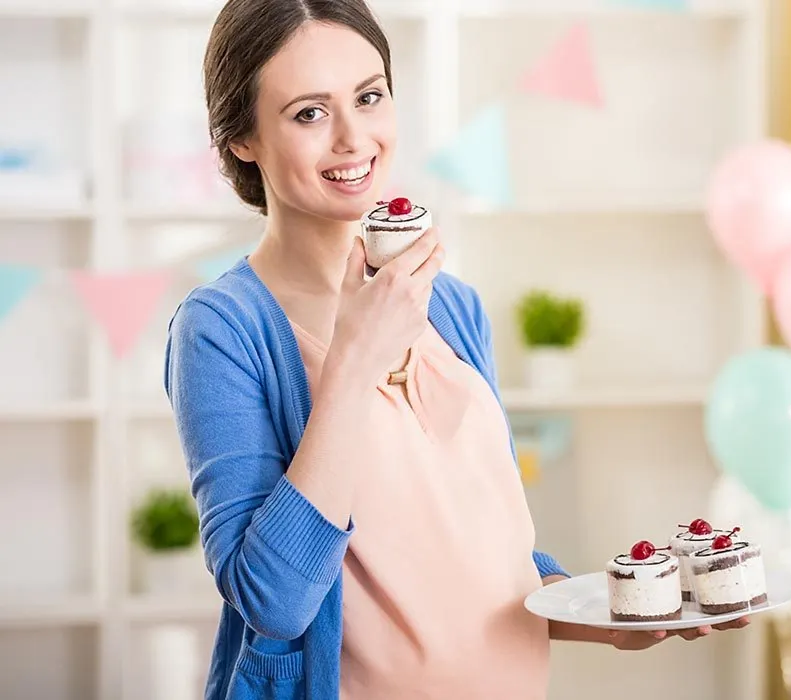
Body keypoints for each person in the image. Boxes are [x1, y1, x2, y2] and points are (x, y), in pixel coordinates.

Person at [164, 0, 748, 697]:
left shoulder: (453, 306)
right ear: (242, 139)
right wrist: (355, 360)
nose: (354, 138)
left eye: (370, 96)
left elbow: (492, 556)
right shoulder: (222, 329)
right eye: (309, 113)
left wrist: (613, 619)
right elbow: (274, 602)